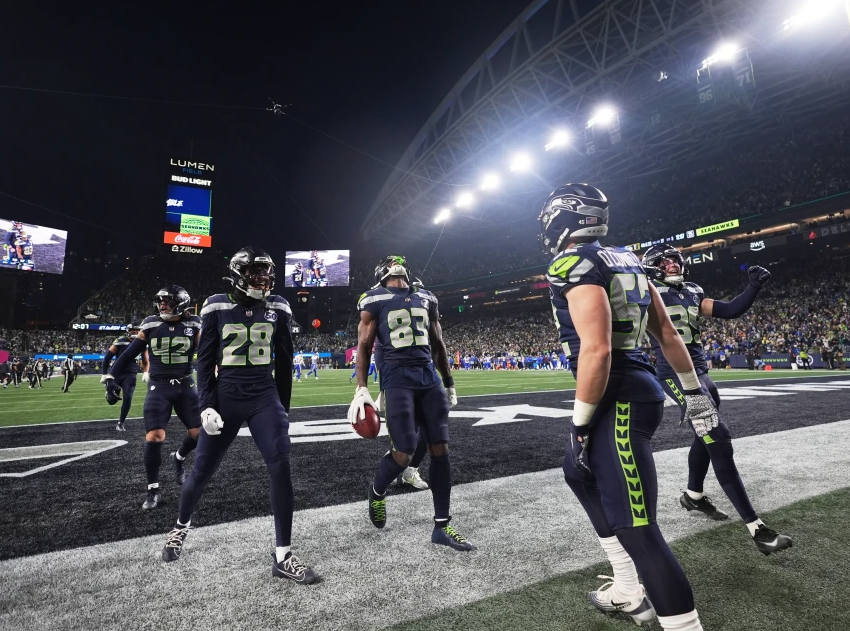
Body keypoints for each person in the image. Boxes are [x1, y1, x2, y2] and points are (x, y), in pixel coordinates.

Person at [540, 183, 711, 630]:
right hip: (634, 390)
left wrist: (579, 425)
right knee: (576, 472)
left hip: (617, 399)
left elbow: (597, 351)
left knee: (639, 528)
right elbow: (668, 335)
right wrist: (694, 392)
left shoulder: (573, 262)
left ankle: (677, 620)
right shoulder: (630, 259)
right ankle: (627, 586)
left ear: (564, 219)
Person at [161, 246, 318, 584]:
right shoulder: (216, 304)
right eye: (257, 273)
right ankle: (180, 527)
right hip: (226, 395)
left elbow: (286, 363)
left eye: (267, 273)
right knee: (202, 469)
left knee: (281, 464)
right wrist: (206, 406)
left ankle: (283, 556)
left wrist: (283, 411)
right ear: (238, 274)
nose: (264, 279)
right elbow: (204, 360)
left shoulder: (278, 306)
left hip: (264, 395)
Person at [642, 245, 794, 554]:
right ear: (652, 267)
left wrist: (752, 287)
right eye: (664, 261)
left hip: (702, 372)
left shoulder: (692, 290)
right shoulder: (645, 290)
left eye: (674, 259)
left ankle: (693, 495)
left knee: (706, 437)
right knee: (719, 439)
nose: (672, 264)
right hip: (674, 375)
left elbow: (727, 310)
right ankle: (756, 528)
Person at [349, 255, 472, 551]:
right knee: (403, 452)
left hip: (428, 379)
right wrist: (362, 388)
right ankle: (377, 491)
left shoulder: (426, 296)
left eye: (401, 260)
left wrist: (449, 381)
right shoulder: (373, 298)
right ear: (381, 272)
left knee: (440, 449)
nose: (398, 264)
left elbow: (438, 343)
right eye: (391, 261)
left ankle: (442, 525)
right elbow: (365, 345)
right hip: (397, 379)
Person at [104, 287, 202, 509]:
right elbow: (129, 353)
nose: (162, 305)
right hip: (159, 387)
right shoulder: (150, 323)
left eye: (167, 301)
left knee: (199, 434)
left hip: (186, 385)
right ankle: (153, 490)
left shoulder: (194, 324)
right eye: (160, 301)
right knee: (155, 436)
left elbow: (206, 352)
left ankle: (178, 458)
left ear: (180, 302)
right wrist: (110, 378)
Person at [101, 323, 149, 432]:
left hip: (131, 373)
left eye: (137, 330)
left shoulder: (143, 343)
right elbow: (107, 357)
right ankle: (110, 392)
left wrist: (146, 372)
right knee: (111, 401)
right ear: (128, 331)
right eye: (133, 330)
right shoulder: (121, 340)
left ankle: (121, 423)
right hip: (117, 372)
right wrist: (104, 374)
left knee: (128, 397)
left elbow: (146, 361)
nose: (135, 332)